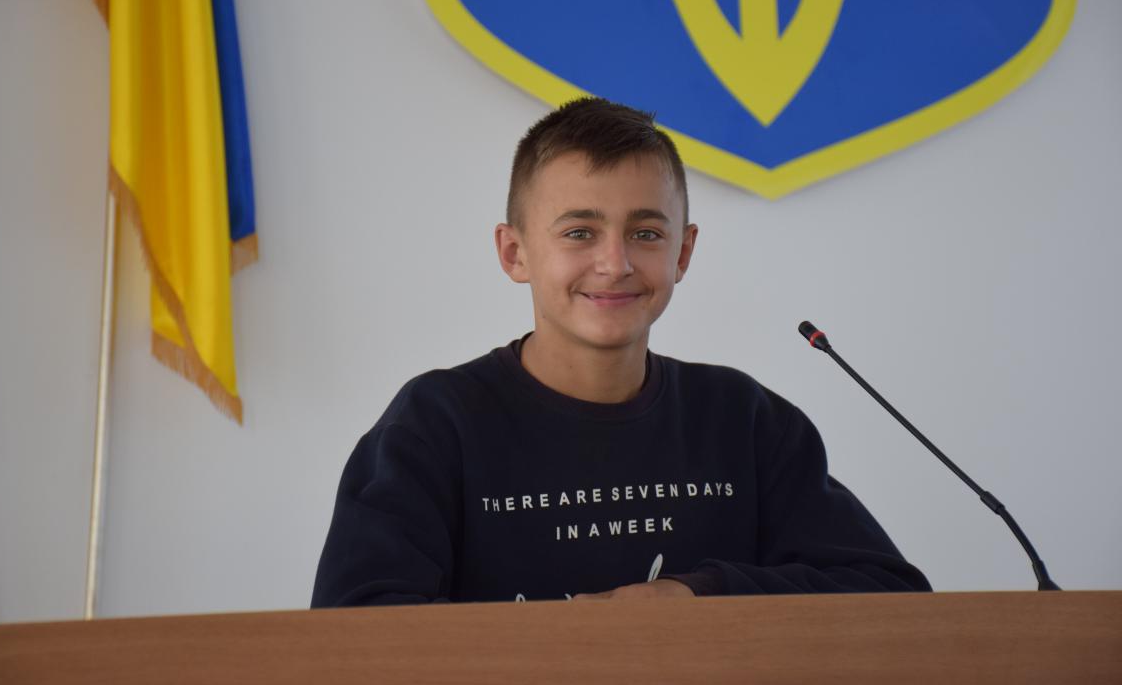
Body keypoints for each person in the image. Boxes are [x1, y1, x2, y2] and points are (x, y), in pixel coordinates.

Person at [311, 98, 930, 606]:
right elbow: (356, 631)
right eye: (580, 232)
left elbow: (889, 595)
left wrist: (699, 595)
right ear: (514, 253)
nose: (615, 263)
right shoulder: (435, 423)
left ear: (683, 253)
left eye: (646, 233)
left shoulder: (742, 419)